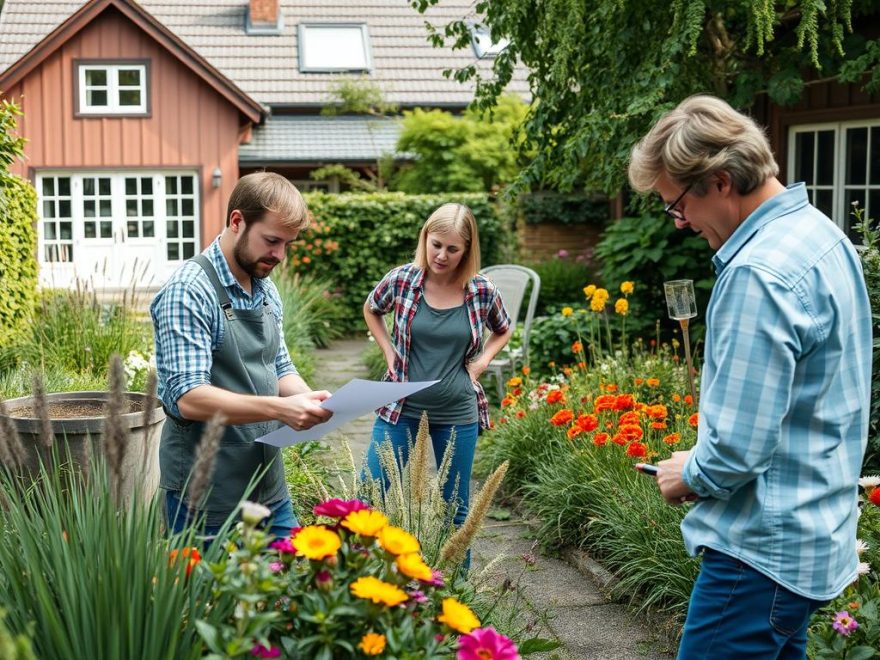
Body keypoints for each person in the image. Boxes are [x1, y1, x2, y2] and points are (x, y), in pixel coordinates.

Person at [628, 95, 872, 658]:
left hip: (760, 553)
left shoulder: (758, 273)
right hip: (811, 534)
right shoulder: (821, 235)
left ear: (719, 181)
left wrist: (685, 472)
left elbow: (735, 452)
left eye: (678, 204)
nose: (681, 222)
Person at [151, 172, 332, 539]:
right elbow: (188, 397)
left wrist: (307, 399)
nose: (279, 255)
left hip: (267, 484)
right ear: (237, 221)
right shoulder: (189, 290)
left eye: (287, 244)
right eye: (271, 241)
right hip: (203, 493)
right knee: (206, 596)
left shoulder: (264, 287)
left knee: (288, 586)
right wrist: (281, 409)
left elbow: (278, 365)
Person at [363, 202, 513, 539]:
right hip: (400, 408)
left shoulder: (482, 290)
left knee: (455, 511)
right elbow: (372, 308)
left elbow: (503, 329)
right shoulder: (402, 280)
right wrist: (388, 350)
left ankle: (453, 586)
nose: (441, 255)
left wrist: (483, 361)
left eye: (452, 248)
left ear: (467, 251)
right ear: (425, 238)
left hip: (457, 412)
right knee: (369, 495)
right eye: (436, 244)